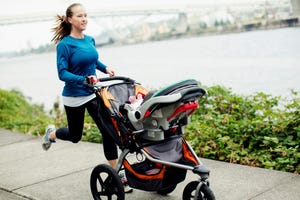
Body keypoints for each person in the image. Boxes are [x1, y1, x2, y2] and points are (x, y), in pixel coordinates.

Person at [42, 3, 132, 193]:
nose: (84, 19)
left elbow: (93, 60)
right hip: (74, 96)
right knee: (75, 136)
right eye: (80, 16)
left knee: (108, 130)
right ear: (70, 20)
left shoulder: (89, 40)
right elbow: (62, 73)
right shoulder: (64, 45)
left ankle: (117, 174)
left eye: (86, 15)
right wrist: (84, 80)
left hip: (93, 93)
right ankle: (51, 134)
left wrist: (105, 68)